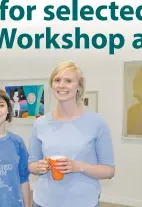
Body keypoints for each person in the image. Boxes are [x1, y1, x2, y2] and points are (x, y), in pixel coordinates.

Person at [28, 61, 115, 207]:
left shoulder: (97, 122)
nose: (61, 85)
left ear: (79, 86)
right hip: (43, 201)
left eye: (68, 81)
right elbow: (31, 164)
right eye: (57, 80)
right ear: (52, 85)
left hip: (83, 202)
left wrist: (78, 166)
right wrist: (39, 167)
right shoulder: (40, 123)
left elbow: (109, 170)